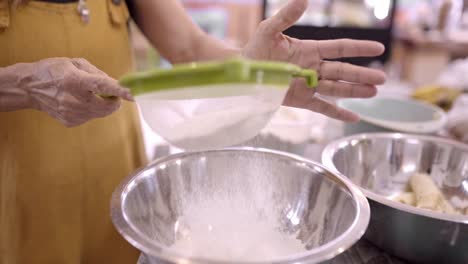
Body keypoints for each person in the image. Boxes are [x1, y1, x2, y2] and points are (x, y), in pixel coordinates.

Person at [0, 0, 385, 263]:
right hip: (18, 190)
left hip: (116, 174)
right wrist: (26, 83)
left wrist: (255, 74)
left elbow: (187, 45)